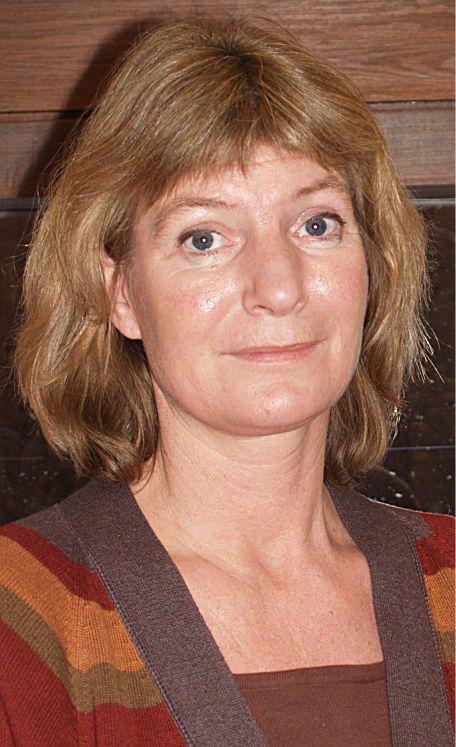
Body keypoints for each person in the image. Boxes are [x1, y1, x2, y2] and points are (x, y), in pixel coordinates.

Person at [0, 15, 454, 747]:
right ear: (121, 292)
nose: (278, 288)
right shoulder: (25, 621)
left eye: (317, 225)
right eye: (204, 238)